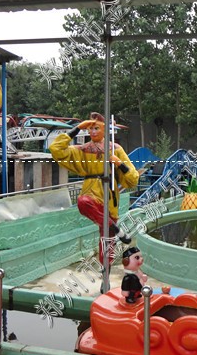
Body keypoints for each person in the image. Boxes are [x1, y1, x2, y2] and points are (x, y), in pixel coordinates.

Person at [49, 112, 140, 265]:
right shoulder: (83, 149)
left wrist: (119, 164)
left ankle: (106, 270)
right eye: (90, 128)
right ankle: (115, 228)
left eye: (96, 128)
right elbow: (56, 148)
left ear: (104, 129)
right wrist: (78, 128)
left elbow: (133, 177)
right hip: (91, 192)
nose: (93, 131)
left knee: (107, 241)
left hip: (109, 195)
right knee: (83, 202)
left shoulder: (115, 149)